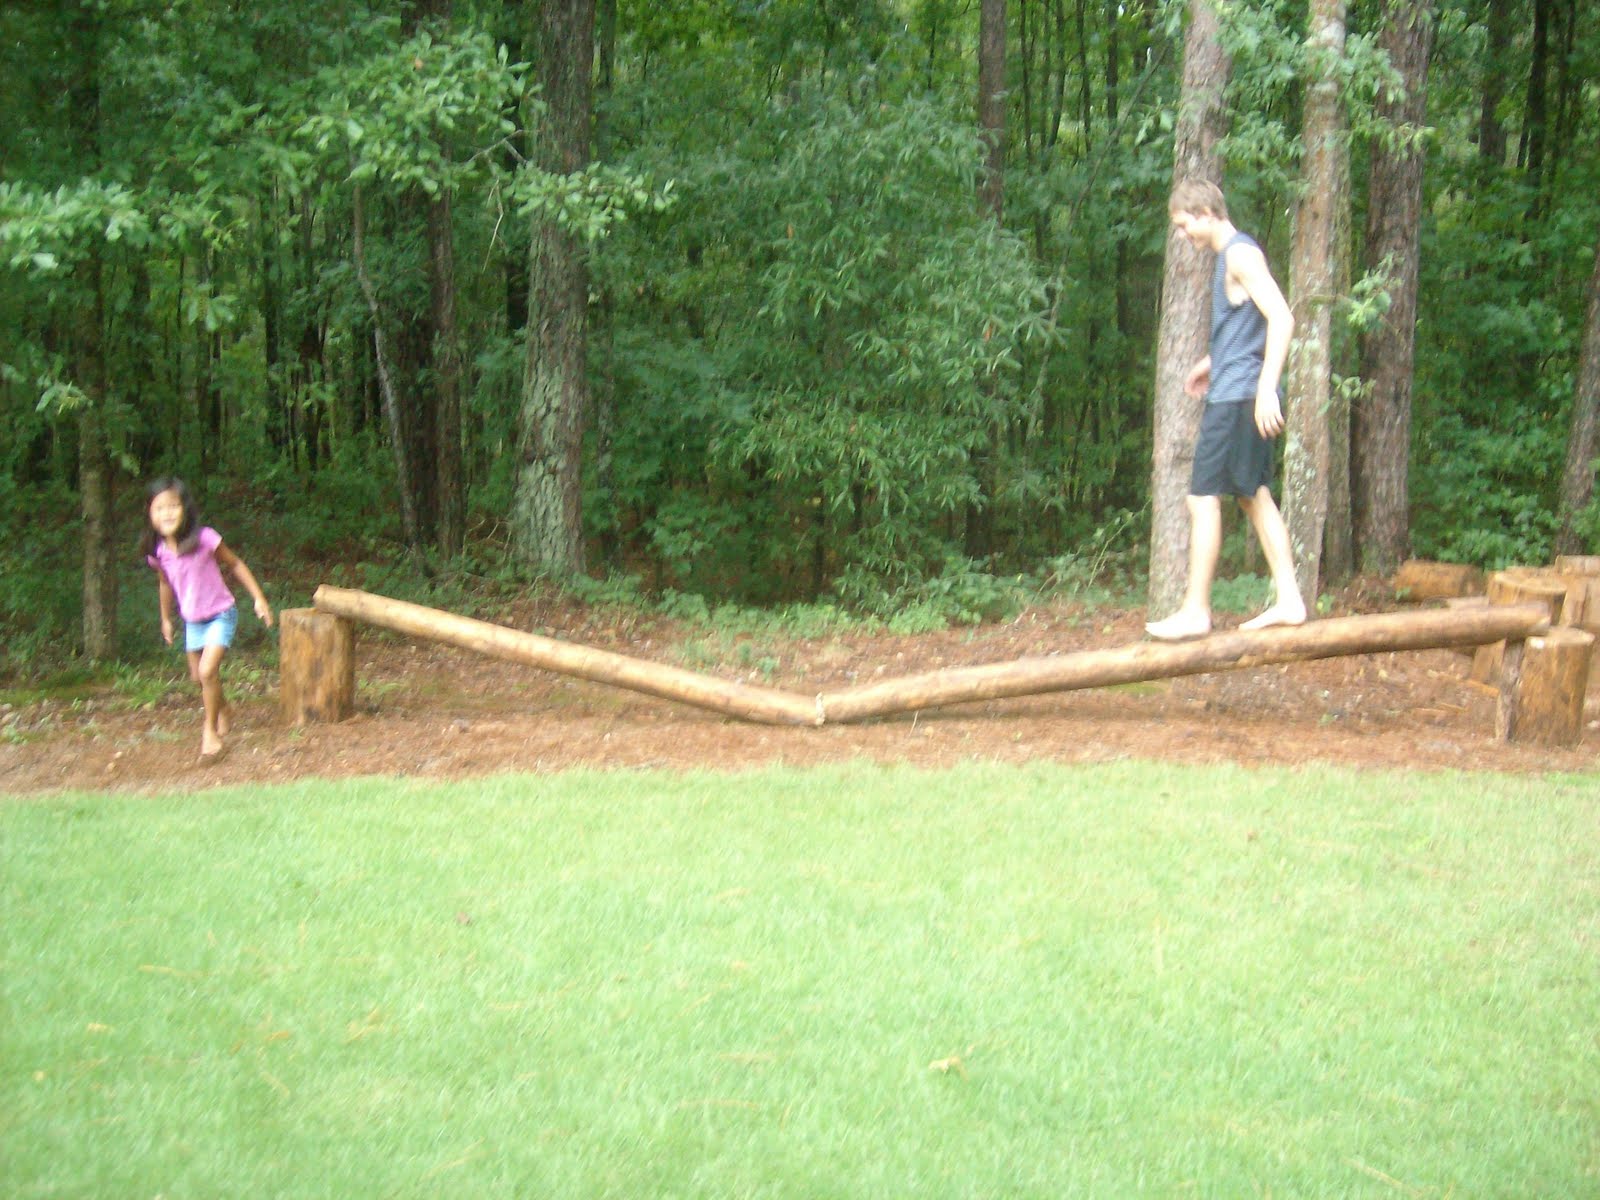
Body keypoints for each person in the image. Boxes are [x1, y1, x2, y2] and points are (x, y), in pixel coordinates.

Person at [1145, 179, 1307, 641]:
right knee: (1254, 496)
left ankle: (1196, 610)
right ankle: (1291, 600)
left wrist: (1267, 389)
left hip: (1238, 398)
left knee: (1202, 499)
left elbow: (1282, 316)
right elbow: (1247, 326)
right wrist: (1211, 363)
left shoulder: (1239, 254)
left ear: (1205, 212)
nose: (1183, 236)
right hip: (1233, 387)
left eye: (1183, 226)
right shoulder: (1231, 257)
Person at [141, 477, 274, 761]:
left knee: (207, 671)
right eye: (160, 508)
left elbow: (235, 563)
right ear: (150, 515)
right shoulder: (160, 553)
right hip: (192, 621)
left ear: (185, 508)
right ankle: (223, 708)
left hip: (220, 614)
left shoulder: (204, 538)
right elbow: (164, 585)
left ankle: (209, 733)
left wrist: (259, 598)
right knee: (198, 678)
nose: (167, 513)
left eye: (174, 506)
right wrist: (166, 619)